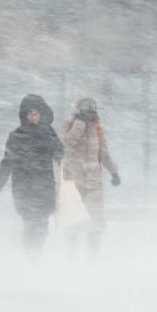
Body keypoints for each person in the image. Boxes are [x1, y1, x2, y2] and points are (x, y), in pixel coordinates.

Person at [0, 94, 64, 258]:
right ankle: (30, 257)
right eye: (30, 113)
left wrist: (50, 133)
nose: (33, 116)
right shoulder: (17, 136)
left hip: (44, 187)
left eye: (36, 113)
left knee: (42, 226)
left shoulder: (47, 134)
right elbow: (7, 162)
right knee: (30, 225)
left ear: (41, 115)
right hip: (24, 188)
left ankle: (35, 255)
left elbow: (59, 154)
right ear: (25, 115)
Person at [60, 97, 120, 255]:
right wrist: (79, 124)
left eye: (93, 108)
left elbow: (103, 152)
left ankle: (93, 259)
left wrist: (113, 171)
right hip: (73, 181)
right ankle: (70, 256)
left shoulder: (97, 128)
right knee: (73, 222)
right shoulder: (69, 124)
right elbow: (67, 142)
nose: (91, 111)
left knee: (95, 223)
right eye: (87, 108)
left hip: (94, 184)